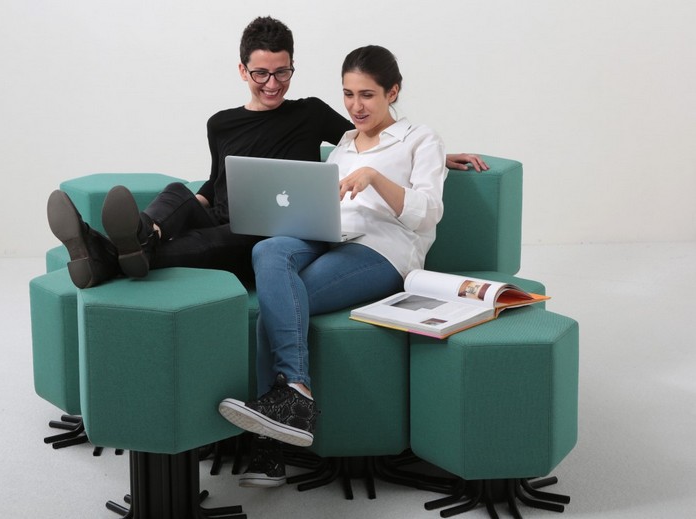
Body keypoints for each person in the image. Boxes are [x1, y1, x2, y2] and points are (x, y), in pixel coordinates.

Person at [46, 16, 488, 291]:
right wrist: (184, 207)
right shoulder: (220, 123)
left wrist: (437, 155)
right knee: (178, 191)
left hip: (267, 232)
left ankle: (102, 251)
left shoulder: (311, 113)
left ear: (292, 68)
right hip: (222, 215)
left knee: (213, 238)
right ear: (243, 71)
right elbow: (216, 180)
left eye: (282, 72)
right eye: (261, 73)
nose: (273, 84)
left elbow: (370, 132)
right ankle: (140, 236)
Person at [218, 44, 449, 487]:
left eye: (367, 95)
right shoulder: (344, 143)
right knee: (268, 250)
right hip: (329, 234)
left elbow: (428, 213)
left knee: (276, 306)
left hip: (382, 249)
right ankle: (294, 398)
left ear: (393, 92)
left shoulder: (421, 139)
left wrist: (375, 178)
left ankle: (273, 443)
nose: (356, 106)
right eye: (348, 94)